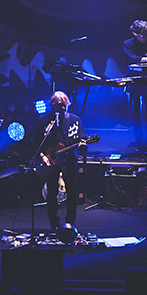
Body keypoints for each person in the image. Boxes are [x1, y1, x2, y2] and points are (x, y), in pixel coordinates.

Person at [35, 91, 87, 232]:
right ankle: (54, 223)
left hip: (68, 160)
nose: (63, 108)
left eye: (64, 105)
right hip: (50, 161)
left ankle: (70, 223)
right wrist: (42, 155)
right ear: (52, 105)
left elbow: (82, 139)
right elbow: (35, 142)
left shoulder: (74, 120)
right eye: (59, 105)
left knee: (72, 192)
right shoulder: (43, 120)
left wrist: (83, 145)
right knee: (52, 192)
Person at [123, 20, 147, 145]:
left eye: (146, 35)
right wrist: (143, 59)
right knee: (136, 112)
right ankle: (138, 140)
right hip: (135, 81)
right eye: (142, 35)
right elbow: (131, 57)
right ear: (135, 34)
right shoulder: (128, 44)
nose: (144, 38)